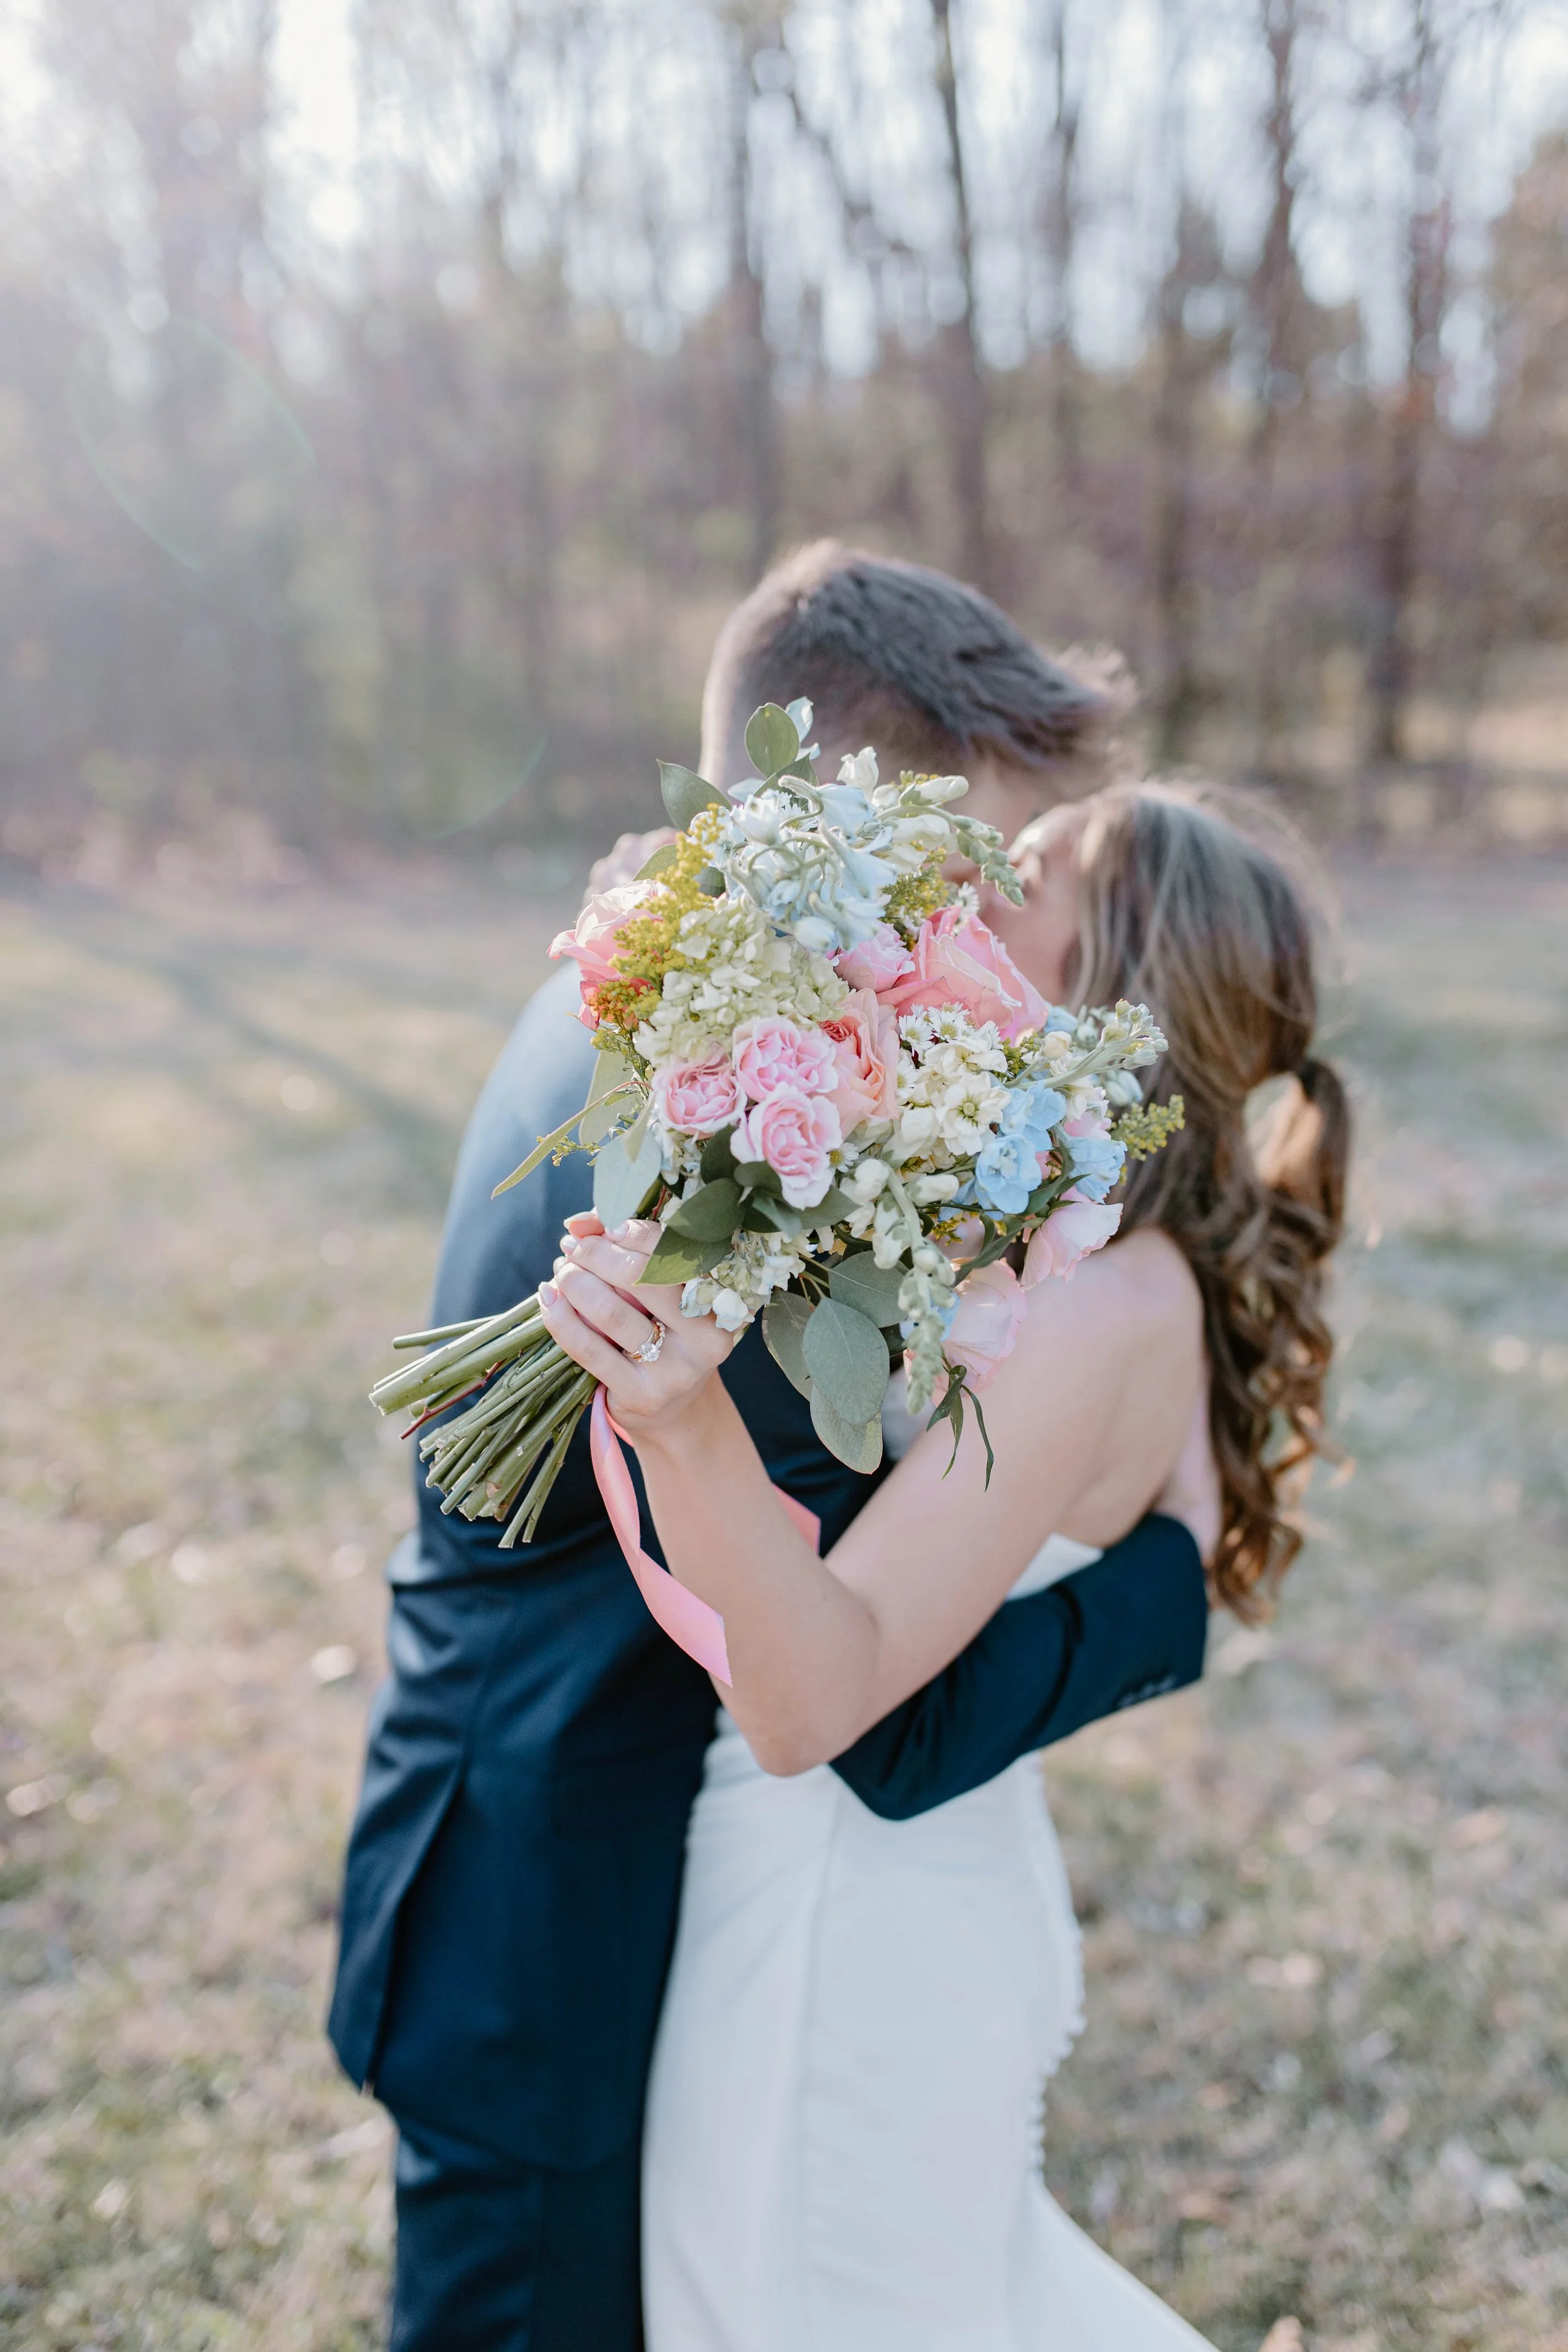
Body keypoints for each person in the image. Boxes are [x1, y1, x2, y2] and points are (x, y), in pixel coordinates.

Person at [327, 546, 1216, 2352]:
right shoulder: (712, 1069)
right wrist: (1169, 1591)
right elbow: (851, 1692)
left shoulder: (685, 997)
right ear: (881, 803)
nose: (995, 937)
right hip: (539, 1898)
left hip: (623, 1863)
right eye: (993, 856)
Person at [538, 780, 1350, 2351]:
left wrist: (681, 1418)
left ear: (1112, 977)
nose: (970, 881)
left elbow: (812, 1709)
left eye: (1028, 871)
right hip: (899, 1898)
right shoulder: (1063, 1260)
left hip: (849, 1945)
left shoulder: (1096, 1304)